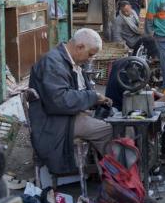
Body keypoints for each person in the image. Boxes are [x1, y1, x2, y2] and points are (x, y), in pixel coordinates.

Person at [28, 29, 113, 175]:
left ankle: (106, 169)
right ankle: (117, 174)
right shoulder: (53, 63)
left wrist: (96, 100)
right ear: (79, 47)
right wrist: (92, 97)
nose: (90, 59)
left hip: (66, 117)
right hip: (55, 122)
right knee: (111, 129)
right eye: (90, 54)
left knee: (112, 117)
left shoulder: (68, 61)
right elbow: (59, 101)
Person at [105, 57, 165, 158]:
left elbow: (143, 87)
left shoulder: (123, 69)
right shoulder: (125, 84)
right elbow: (139, 108)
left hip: (132, 107)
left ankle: (163, 148)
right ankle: (161, 151)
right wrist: (161, 101)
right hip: (125, 113)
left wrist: (155, 93)